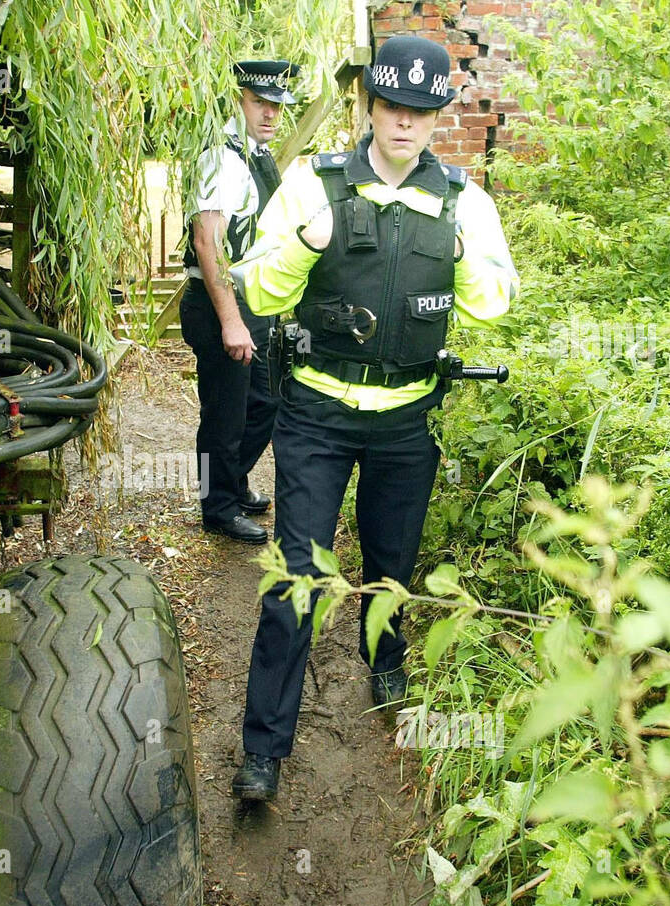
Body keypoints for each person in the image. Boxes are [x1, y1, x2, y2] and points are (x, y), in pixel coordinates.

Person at [227, 35, 519, 800]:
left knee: (393, 568)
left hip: (406, 423)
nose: (403, 123)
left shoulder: (464, 200)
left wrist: (457, 255)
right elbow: (256, 292)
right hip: (316, 414)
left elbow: (494, 304)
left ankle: (384, 664)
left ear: (435, 117)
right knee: (297, 578)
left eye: (420, 111)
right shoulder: (312, 185)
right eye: (391, 105)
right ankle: (264, 748)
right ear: (367, 105)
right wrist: (304, 244)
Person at [181, 60, 299, 544]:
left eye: (276, 105)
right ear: (237, 101)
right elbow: (208, 243)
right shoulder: (223, 159)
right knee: (225, 415)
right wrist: (231, 322)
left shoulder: (257, 153)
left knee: (265, 403)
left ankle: (231, 484)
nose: (269, 113)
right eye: (259, 103)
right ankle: (218, 508)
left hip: (255, 303)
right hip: (220, 306)